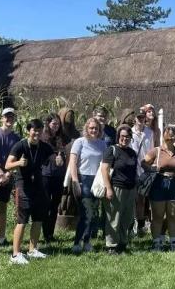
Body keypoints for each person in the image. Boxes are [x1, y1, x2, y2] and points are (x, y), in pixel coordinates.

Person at [5, 118, 53, 264]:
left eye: (39, 130)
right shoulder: (20, 146)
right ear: (28, 131)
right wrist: (19, 163)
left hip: (38, 185)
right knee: (22, 220)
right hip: (23, 186)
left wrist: (59, 159)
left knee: (38, 219)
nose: (36, 133)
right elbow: (7, 165)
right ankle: (15, 254)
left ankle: (32, 250)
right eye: (34, 130)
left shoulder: (44, 146)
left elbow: (54, 155)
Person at [143, 125, 175, 251]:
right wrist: (152, 168)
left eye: (173, 135)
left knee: (173, 215)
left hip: (174, 184)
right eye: (168, 135)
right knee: (158, 216)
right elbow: (143, 162)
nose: (171, 138)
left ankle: (173, 244)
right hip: (158, 183)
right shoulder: (156, 151)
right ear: (163, 136)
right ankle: (156, 243)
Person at [69, 118, 107, 253]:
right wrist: (75, 181)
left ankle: (87, 242)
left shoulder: (103, 144)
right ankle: (76, 243)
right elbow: (72, 163)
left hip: (97, 181)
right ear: (86, 128)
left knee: (93, 213)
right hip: (83, 179)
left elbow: (104, 164)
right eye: (91, 128)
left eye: (96, 128)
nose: (93, 131)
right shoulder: (79, 142)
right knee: (86, 213)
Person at [101, 124, 138, 254]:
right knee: (114, 218)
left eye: (128, 137)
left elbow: (134, 171)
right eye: (122, 136)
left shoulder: (132, 153)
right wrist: (108, 188)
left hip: (130, 189)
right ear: (118, 137)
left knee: (126, 219)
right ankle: (111, 245)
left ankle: (122, 243)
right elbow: (104, 169)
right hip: (116, 188)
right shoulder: (112, 150)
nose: (125, 139)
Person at [0, 107, 21, 247]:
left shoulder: (16, 138)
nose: (9, 119)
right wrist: (0, 173)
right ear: (1, 118)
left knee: (9, 207)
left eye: (12, 117)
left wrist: (8, 174)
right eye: (6, 116)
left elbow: (18, 158)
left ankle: (8, 238)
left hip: (10, 176)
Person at [40, 113, 65, 242]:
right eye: (53, 123)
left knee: (55, 205)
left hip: (58, 175)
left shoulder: (59, 138)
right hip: (46, 175)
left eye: (58, 124)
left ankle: (50, 233)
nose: (56, 126)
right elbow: (42, 156)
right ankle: (45, 233)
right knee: (45, 204)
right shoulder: (43, 138)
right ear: (48, 124)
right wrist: (54, 157)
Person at [131, 106, 154, 236]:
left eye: (142, 117)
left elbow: (151, 150)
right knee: (132, 199)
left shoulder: (149, 133)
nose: (140, 119)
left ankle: (140, 225)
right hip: (132, 169)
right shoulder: (130, 132)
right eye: (138, 117)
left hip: (144, 169)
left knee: (142, 199)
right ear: (135, 119)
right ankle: (132, 224)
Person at [57, 108, 80, 229]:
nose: (69, 119)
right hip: (60, 169)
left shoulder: (76, 134)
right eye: (67, 116)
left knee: (71, 195)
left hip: (72, 168)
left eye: (71, 116)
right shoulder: (58, 134)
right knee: (62, 195)